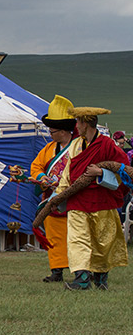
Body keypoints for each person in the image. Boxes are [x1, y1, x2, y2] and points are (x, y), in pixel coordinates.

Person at [55, 105, 129, 290]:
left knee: (102, 241)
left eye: (78, 122)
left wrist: (101, 172)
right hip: (78, 200)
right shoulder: (75, 145)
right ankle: (81, 279)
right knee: (77, 239)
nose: (76, 127)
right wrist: (59, 195)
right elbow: (68, 172)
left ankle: (101, 278)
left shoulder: (107, 144)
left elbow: (123, 168)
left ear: (86, 123)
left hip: (102, 200)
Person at [29, 95, 76, 283]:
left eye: (52, 131)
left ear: (63, 131)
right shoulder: (48, 148)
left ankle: (80, 271)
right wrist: (42, 177)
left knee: (76, 237)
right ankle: (56, 271)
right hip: (52, 200)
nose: (50, 134)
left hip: (73, 199)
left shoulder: (79, 147)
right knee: (54, 237)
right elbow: (36, 166)